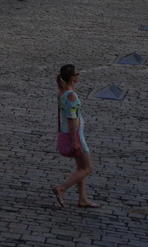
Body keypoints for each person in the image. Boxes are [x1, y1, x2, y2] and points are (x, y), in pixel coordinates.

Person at [51, 64, 96, 208]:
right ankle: (62, 188)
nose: (79, 75)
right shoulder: (71, 95)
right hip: (75, 135)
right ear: (72, 78)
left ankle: (82, 199)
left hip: (72, 133)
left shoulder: (62, 92)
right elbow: (71, 120)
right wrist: (75, 141)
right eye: (78, 73)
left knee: (80, 168)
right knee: (87, 168)